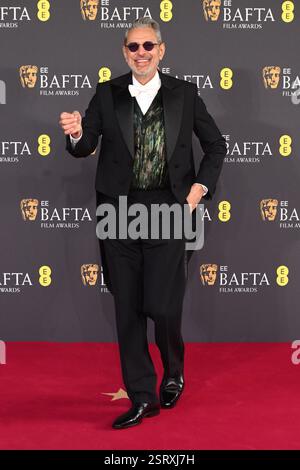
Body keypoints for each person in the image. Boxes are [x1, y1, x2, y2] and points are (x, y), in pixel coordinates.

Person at [59, 16, 226, 430]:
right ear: (124, 51)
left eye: (148, 46)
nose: (141, 54)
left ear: (161, 50)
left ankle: (173, 370)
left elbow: (216, 145)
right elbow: (85, 147)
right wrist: (77, 135)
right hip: (119, 212)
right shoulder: (106, 93)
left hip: (170, 209)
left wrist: (199, 190)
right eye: (133, 47)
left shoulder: (184, 95)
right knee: (128, 307)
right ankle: (142, 395)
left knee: (164, 306)